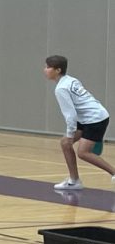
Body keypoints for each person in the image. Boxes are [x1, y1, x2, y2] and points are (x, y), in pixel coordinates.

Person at [44, 55, 115, 190]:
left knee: (83, 152)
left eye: (48, 67)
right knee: (65, 143)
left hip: (95, 119)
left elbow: (70, 115)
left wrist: (70, 134)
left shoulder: (61, 89)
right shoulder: (70, 80)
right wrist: (69, 137)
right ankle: (74, 180)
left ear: (58, 70)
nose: (45, 70)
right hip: (89, 118)